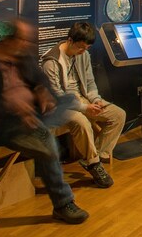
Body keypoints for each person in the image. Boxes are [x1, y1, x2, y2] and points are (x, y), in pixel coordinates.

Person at [0, 19, 90, 225]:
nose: (26, 44)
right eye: (22, 39)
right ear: (8, 39)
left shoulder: (23, 59)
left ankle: (38, 128)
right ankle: (63, 204)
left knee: (68, 100)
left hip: (34, 116)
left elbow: (41, 81)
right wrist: (13, 109)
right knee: (48, 147)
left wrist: (43, 93)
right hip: (3, 123)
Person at [40, 22, 125, 188]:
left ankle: (95, 158)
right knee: (82, 122)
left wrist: (95, 100)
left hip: (82, 99)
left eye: (86, 48)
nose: (83, 51)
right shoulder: (51, 61)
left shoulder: (83, 55)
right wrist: (84, 108)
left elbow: (90, 82)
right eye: (80, 47)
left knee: (118, 115)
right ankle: (94, 164)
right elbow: (57, 96)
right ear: (70, 40)